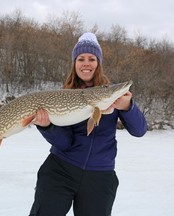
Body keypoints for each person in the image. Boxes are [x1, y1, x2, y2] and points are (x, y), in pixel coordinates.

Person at [29, 32, 147, 216]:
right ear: (74, 64)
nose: (86, 63)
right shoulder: (64, 96)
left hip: (100, 177)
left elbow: (139, 130)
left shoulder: (111, 94)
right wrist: (47, 127)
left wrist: (127, 107)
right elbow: (64, 143)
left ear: (98, 63)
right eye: (81, 59)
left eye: (92, 58)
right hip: (60, 170)